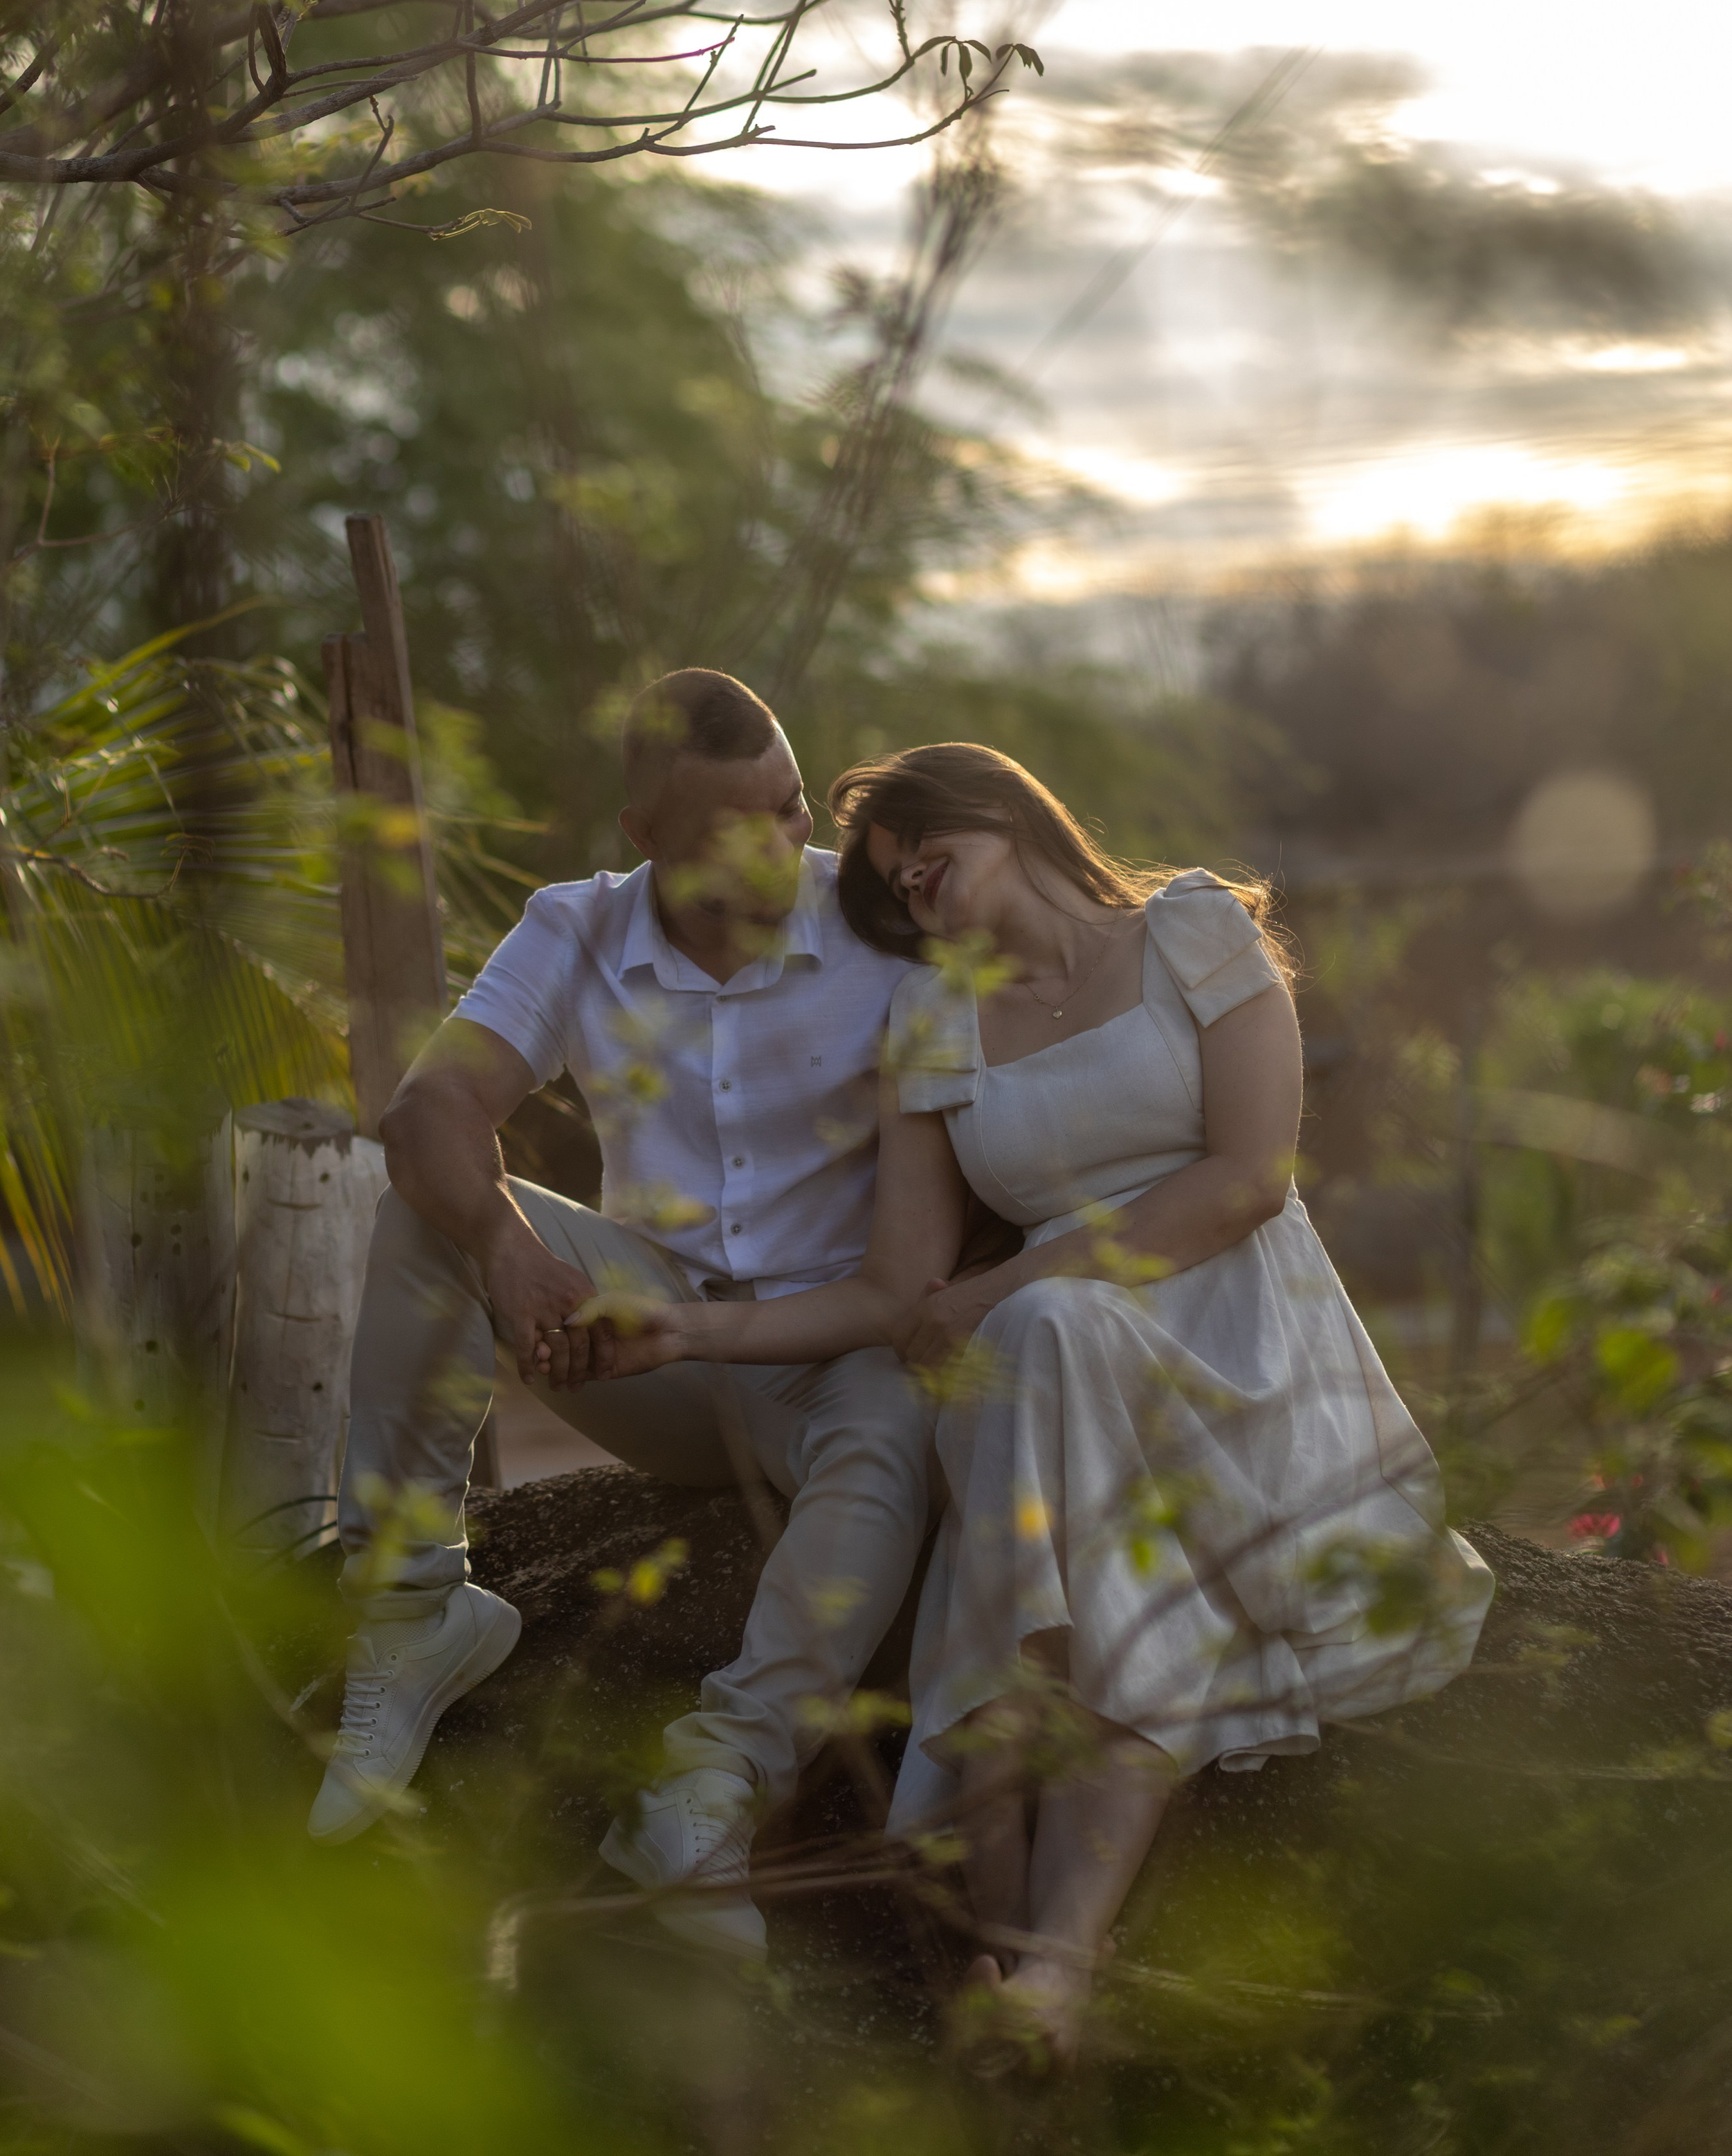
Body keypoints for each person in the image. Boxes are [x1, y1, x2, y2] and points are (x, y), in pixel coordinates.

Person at [591, 742, 1494, 2062]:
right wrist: (689, 1329)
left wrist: (1020, 1280)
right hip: (1046, 1386)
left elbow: (1250, 1176)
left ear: (1004, 813)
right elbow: (898, 1286)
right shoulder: (933, 1020)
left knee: (1048, 1325)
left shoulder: (1192, 929)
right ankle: (1047, 1964)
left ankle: (1010, 1841)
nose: (912, 894)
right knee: (1046, 1347)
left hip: (1241, 1339)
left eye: (926, 860)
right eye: (895, 891)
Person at [311, 669, 938, 1963]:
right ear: (647, 838)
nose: (779, 848)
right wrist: (511, 1247)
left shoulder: (883, 934)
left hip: (835, 1352)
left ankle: (709, 1791)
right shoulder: (578, 925)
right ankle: (417, 1610)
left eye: (791, 807)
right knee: (423, 1208)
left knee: (890, 1418)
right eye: (735, 829)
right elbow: (427, 1112)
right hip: (639, 1342)